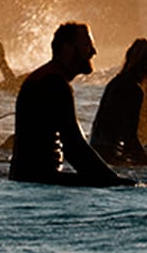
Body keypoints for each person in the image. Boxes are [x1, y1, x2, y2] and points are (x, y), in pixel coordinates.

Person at [9, 22, 131, 186]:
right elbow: (74, 147)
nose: (94, 52)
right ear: (68, 50)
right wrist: (115, 182)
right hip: (39, 180)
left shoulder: (43, 78)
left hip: (27, 177)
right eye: (87, 45)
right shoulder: (54, 84)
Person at [90, 37, 147, 167]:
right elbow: (129, 137)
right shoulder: (134, 90)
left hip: (95, 151)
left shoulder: (114, 83)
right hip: (111, 156)